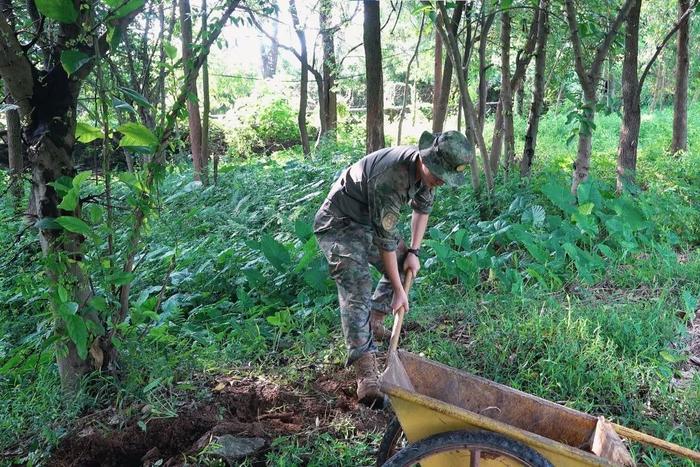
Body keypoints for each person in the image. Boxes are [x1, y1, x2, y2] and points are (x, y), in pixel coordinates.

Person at [313, 130, 474, 407]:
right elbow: (385, 241)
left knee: (403, 266)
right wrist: (399, 291)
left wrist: (413, 252)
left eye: (445, 178)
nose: (439, 182)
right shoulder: (392, 178)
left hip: (367, 223)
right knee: (357, 284)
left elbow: (422, 210)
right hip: (339, 223)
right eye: (438, 175)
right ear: (427, 158)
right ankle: (365, 371)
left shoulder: (427, 174)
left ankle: (373, 322)